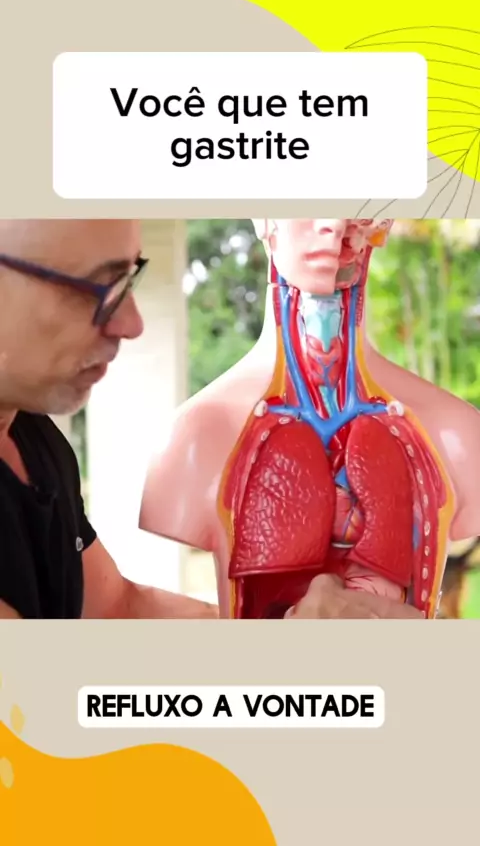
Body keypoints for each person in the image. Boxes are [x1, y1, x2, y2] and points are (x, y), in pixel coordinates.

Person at [0, 218, 411, 621]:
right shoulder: (204, 430)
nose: (132, 324)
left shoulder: (32, 438)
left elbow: (115, 608)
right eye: (97, 287)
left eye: (128, 279)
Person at [140, 218, 480, 619]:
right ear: (263, 218)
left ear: (383, 223)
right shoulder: (194, 438)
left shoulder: (457, 434)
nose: (333, 223)